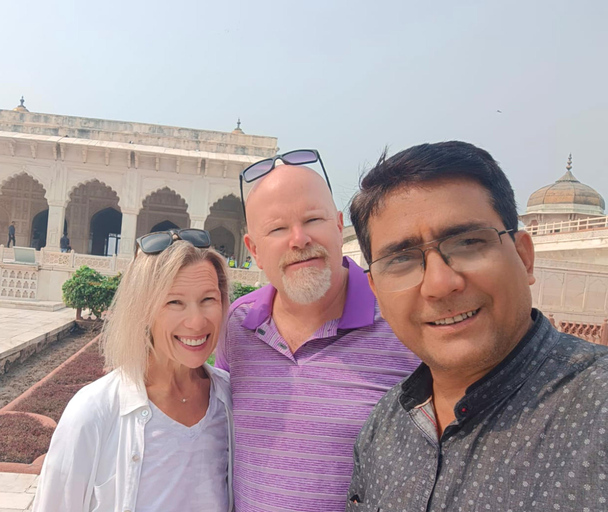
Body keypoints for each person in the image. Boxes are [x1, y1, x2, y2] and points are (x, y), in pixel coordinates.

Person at [345, 141, 608, 511]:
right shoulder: (383, 428)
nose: (440, 283)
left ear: (524, 257)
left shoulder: (596, 411)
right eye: (402, 259)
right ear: (376, 293)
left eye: (468, 243)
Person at [216, 151, 420, 512]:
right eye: (277, 229)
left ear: (340, 226)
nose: (299, 239)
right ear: (254, 250)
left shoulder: (401, 323)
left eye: (313, 219)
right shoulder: (238, 325)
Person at [33, 228, 234, 512]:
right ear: (144, 310)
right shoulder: (95, 411)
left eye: (208, 300)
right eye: (174, 302)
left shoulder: (230, 403)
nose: (197, 322)